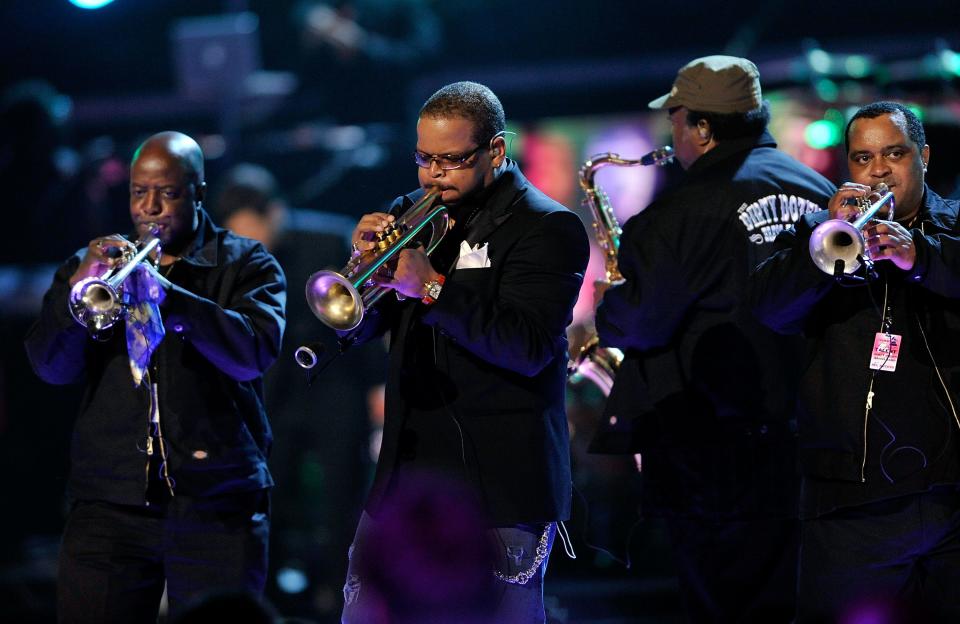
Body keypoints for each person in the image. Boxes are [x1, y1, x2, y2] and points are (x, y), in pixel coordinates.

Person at [592, 56, 836, 621]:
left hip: (710, 454)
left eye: (676, 119)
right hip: (809, 445)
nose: (670, 134)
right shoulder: (820, 191)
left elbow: (644, 321)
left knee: (717, 604)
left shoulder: (678, 212)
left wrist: (611, 307)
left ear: (702, 127)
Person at [339, 81, 590, 623]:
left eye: (451, 161)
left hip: (499, 480)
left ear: (495, 151)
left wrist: (431, 288)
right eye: (424, 159)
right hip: (408, 472)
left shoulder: (547, 227)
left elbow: (528, 347)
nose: (433, 175)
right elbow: (365, 326)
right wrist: (360, 277)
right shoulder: (409, 211)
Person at [24, 131, 286, 623]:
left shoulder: (248, 263)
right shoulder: (93, 266)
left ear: (198, 192)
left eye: (167, 193)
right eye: (139, 193)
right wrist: (75, 295)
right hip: (109, 504)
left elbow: (253, 352)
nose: (150, 208)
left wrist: (173, 297)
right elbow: (49, 367)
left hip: (217, 501)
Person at [750, 101, 960, 621]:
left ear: (925, 156)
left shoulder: (954, 225)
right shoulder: (821, 235)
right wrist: (822, 245)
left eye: (895, 154)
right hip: (850, 505)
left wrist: (921, 258)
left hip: (952, 495)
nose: (880, 170)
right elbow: (768, 310)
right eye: (863, 159)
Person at [212, 163, 385, 618]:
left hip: (336, 388)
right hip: (274, 396)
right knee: (272, 496)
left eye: (254, 229)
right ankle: (267, 601)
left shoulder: (327, 241)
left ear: (275, 214)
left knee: (342, 499)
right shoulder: (232, 257)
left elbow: (362, 315)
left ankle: (340, 597)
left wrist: (377, 383)